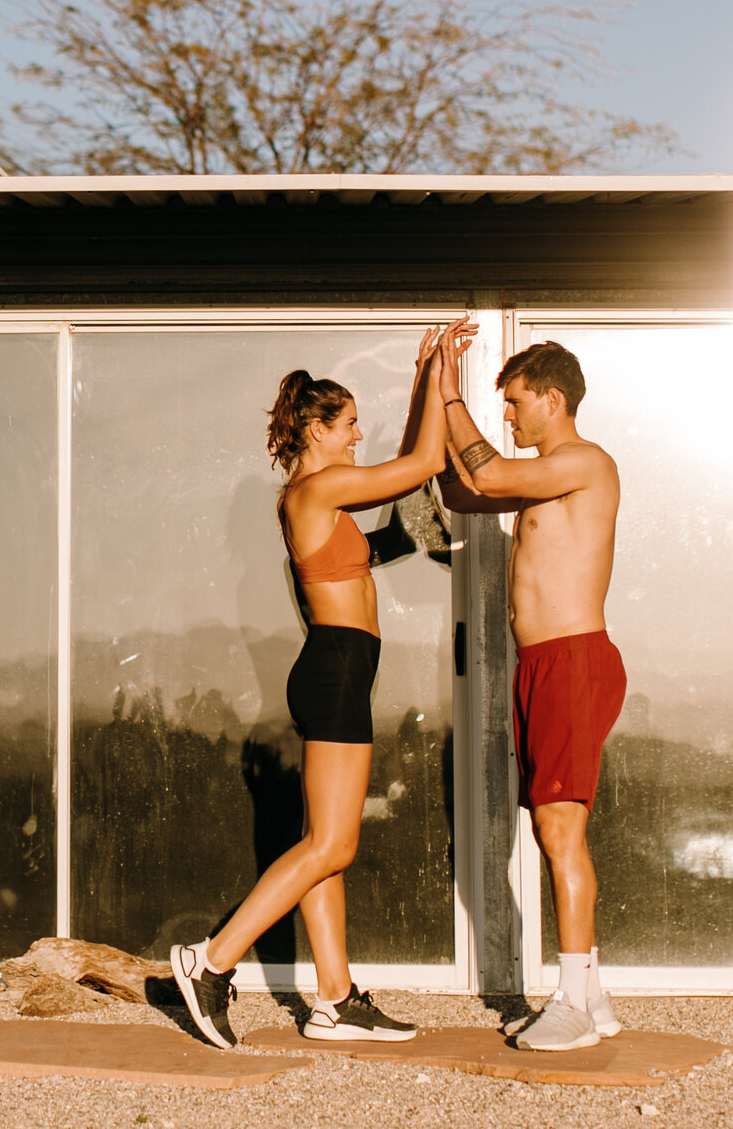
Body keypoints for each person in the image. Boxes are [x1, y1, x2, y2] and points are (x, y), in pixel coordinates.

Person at [171, 327, 454, 1049]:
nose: (359, 435)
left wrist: (424, 382)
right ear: (317, 428)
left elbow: (396, 531)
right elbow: (421, 459)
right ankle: (210, 962)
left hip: (342, 670)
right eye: (350, 423)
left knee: (324, 843)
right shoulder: (317, 488)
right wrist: (440, 370)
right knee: (333, 842)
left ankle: (333, 998)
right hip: (333, 671)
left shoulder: (324, 500)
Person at [433, 319, 625, 1051]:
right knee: (554, 829)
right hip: (542, 665)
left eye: (513, 401)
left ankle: (572, 1001)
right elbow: (460, 488)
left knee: (559, 829)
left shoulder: (585, 461)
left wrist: (453, 391)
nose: (506, 416)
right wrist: (432, 393)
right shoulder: (544, 480)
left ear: (551, 398)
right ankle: (594, 995)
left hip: (573, 660)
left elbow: (484, 471)